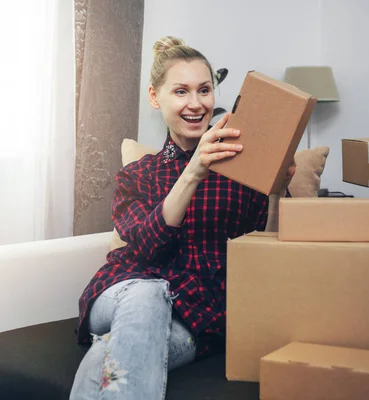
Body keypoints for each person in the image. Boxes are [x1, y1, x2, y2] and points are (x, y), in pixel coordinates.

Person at [70, 36, 294, 399]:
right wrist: (192, 172)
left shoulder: (242, 172)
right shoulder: (137, 175)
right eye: (181, 92)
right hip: (126, 289)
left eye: (204, 90)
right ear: (156, 98)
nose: (195, 104)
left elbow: (267, 252)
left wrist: (275, 188)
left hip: (199, 314)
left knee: (105, 357)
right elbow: (146, 250)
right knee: (148, 292)